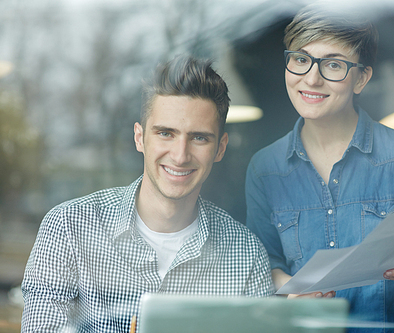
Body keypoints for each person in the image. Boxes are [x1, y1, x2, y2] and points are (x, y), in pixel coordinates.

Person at [245, 5, 394, 331]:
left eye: (333, 64)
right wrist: (289, 290)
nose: (311, 78)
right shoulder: (264, 168)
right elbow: (263, 262)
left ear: (361, 78)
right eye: (300, 59)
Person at [22, 56, 274, 332]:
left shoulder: (246, 254)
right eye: (166, 133)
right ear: (140, 138)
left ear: (221, 148)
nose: (180, 156)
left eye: (199, 137)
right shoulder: (69, 227)